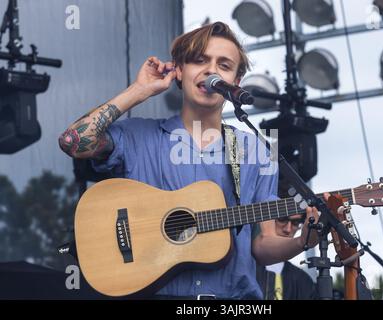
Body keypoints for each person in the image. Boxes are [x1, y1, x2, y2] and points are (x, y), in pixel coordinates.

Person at [58, 21, 320, 300]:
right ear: (179, 71)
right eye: (199, 61)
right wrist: (139, 90)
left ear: (235, 82)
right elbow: (72, 141)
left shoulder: (256, 149)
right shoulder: (137, 137)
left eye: (224, 65)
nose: (211, 71)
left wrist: (304, 241)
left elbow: (263, 245)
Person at [256, 215, 317, 300]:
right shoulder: (241, 269)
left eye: (295, 223)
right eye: (282, 219)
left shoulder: (304, 282)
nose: (288, 229)